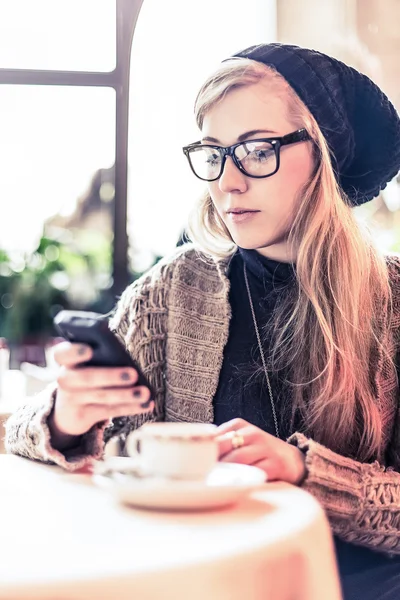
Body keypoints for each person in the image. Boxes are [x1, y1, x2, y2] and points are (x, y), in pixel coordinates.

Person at [5, 43, 400, 599]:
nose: (228, 182)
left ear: (325, 155)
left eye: (258, 150)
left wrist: (309, 474)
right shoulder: (175, 290)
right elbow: (23, 432)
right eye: (214, 153)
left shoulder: (393, 301)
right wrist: (65, 418)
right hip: (200, 582)